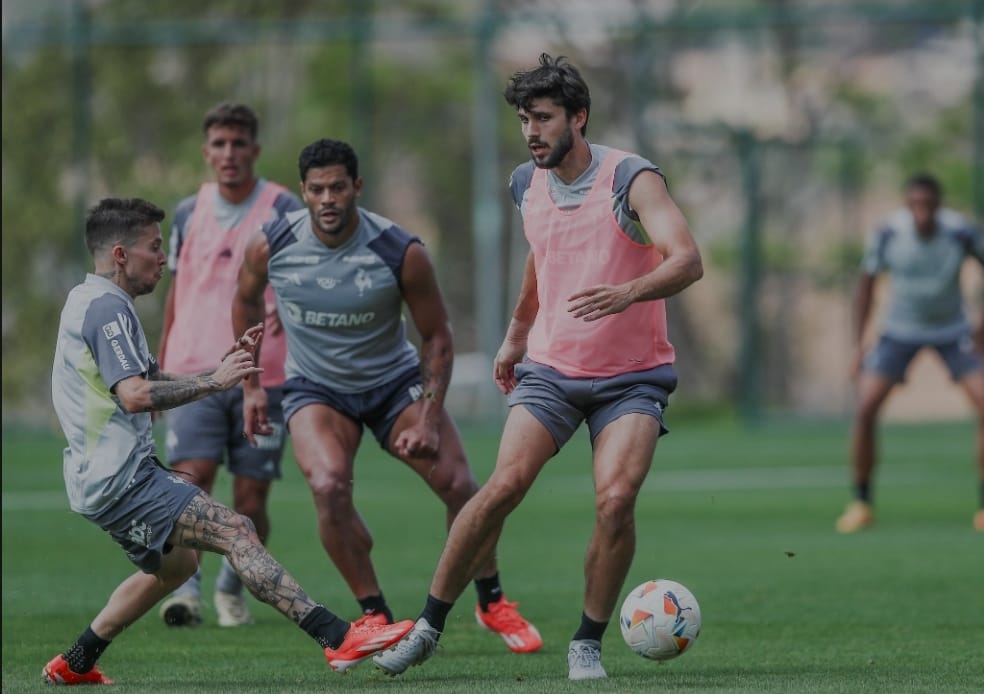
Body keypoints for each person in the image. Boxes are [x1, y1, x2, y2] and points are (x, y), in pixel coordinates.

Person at [373, 53, 703, 681]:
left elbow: (687, 260)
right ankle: (427, 627)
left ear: (579, 117)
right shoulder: (526, 182)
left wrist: (627, 292)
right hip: (552, 367)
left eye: (544, 118)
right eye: (525, 119)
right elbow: (541, 257)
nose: (531, 131)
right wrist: (516, 335)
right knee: (499, 490)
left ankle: (585, 644)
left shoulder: (630, 179)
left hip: (632, 374)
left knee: (615, 499)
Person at [43, 198, 413, 686]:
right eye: (154, 248)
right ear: (119, 254)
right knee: (237, 530)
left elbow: (147, 378)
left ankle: (75, 661)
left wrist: (219, 373)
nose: (163, 259)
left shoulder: (88, 300)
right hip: (121, 480)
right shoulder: (107, 310)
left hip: (108, 477)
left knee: (176, 570)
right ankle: (337, 637)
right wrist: (214, 384)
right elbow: (135, 396)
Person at [230, 138, 541, 652]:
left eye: (337, 187)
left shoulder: (399, 250)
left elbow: (437, 336)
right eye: (316, 190)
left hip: (394, 385)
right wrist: (251, 386)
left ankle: (492, 601)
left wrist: (427, 417)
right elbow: (243, 304)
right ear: (303, 193)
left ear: (357, 187)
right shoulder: (271, 244)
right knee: (329, 486)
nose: (327, 199)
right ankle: (374, 615)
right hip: (315, 388)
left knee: (462, 486)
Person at [157, 103, 304, 628]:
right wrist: (159, 365)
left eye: (238, 144)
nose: (229, 154)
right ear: (206, 152)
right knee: (187, 484)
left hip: (264, 376)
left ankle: (231, 585)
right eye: (219, 144)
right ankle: (186, 592)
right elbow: (178, 290)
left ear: (255, 151)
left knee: (250, 497)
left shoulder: (283, 207)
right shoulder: (185, 212)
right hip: (192, 371)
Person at [836, 173, 984, 533]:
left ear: (938, 205)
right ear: (906, 206)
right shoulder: (889, 234)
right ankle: (861, 501)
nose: (922, 214)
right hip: (899, 330)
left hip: (953, 329)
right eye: (915, 206)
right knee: (866, 406)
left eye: (928, 206)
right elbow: (866, 284)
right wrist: (859, 345)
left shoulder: (960, 232)